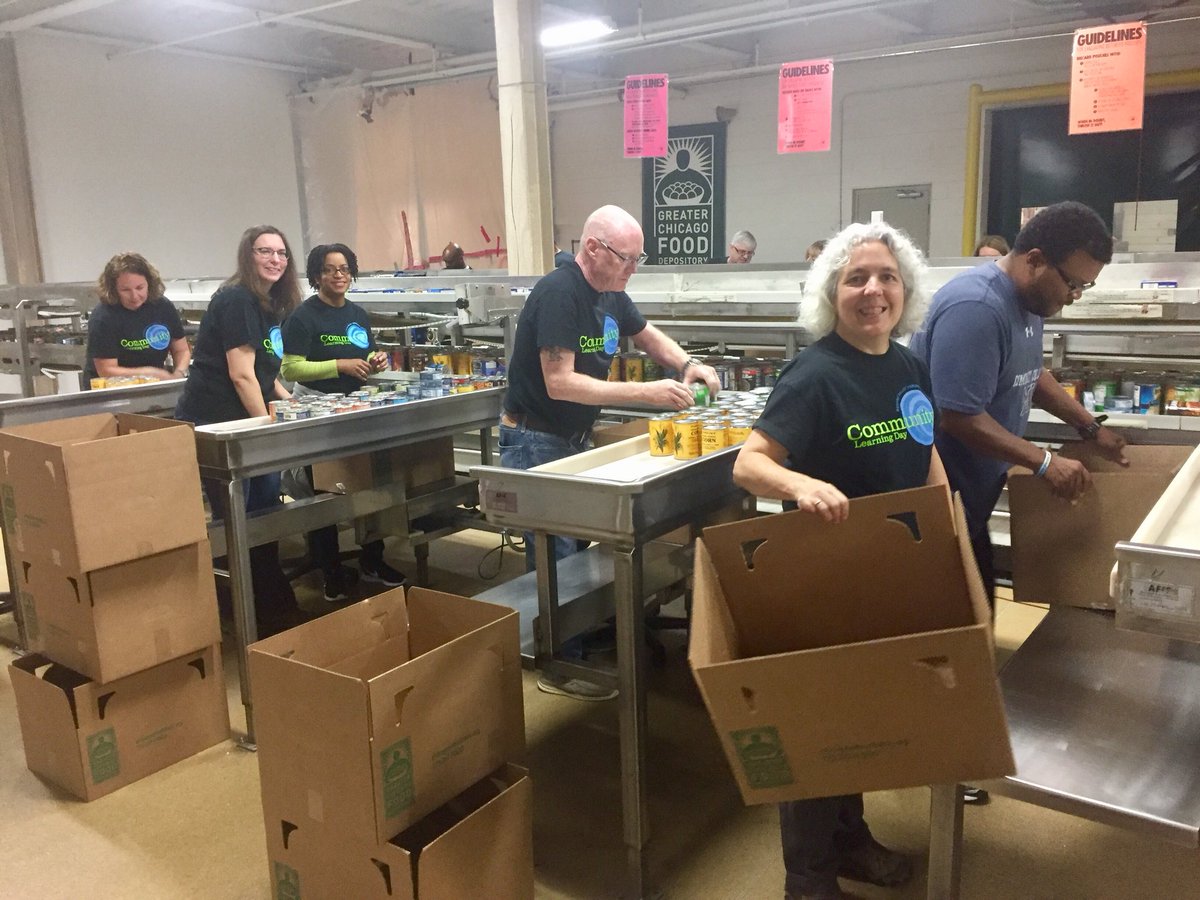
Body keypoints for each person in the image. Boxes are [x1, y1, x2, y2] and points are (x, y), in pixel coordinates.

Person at [733, 221, 943, 900]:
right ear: (833, 293)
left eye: (885, 277)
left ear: (904, 289)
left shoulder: (909, 366)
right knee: (819, 728)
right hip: (828, 582)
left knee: (862, 719)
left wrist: (945, 529)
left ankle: (850, 839)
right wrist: (802, 485)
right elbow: (749, 464)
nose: (873, 290)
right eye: (856, 278)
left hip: (889, 575)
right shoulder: (815, 372)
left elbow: (926, 448)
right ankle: (809, 879)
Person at [502, 204, 720, 701]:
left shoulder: (611, 293)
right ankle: (560, 663)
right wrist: (647, 395)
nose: (632, 270)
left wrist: (688, 363)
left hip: (569, 438)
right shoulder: (560, 293)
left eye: (639, 260)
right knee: (556, 556)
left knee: (576, 551)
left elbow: (647, 336)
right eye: (627, 258)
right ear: (593, 248)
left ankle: (578, 635)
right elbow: (559, 383)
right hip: (536, 437)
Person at [909, 201, 1127, 608]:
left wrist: (1090, 428)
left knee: (976, 609)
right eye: (1073, 284)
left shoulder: (1032, 300)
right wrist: (1044, 462)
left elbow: (1030, 371)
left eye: (1085, 286)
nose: (1075, 296)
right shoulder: (977, 308)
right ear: (1036, 260)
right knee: (962, 619)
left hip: (973, 493)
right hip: (942, 498)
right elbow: (958, 415)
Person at [174, 225, 302, 637]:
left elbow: (266, 373)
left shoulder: (267, 305)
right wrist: (269, 426)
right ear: (247, 256)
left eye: (281, 253)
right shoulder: (236, 299)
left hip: (247, 422)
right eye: (265, 251)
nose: (275, 260)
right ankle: (248, 613)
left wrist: (293, 404)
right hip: (218, 425)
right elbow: (241, 375)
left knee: (264, 514)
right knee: (239, 521)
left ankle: (269, 603)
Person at [280, 243, 407, 602]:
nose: (338, 275)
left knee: (368, 483)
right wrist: (340, 365)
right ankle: (330, 569)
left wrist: (373, 359)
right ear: (317, 275)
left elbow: (360, 353)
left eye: (344, 268)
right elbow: (290, 368)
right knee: (323, 490)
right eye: (330, 269)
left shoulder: (356, 314)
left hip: (355, 406)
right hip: (317, 407)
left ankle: (372, 559)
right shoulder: (303, 317)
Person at [86, 252, 190, 384]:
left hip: (154, 386)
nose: (134, 296)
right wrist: (150, 374)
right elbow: (107, 370)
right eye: (125, 290)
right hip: (112, 392)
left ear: (149, 284)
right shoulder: (104, 317)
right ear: (113, 290)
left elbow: (181, 349)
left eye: (140, 288)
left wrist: (179, 373)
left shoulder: (163, 307)